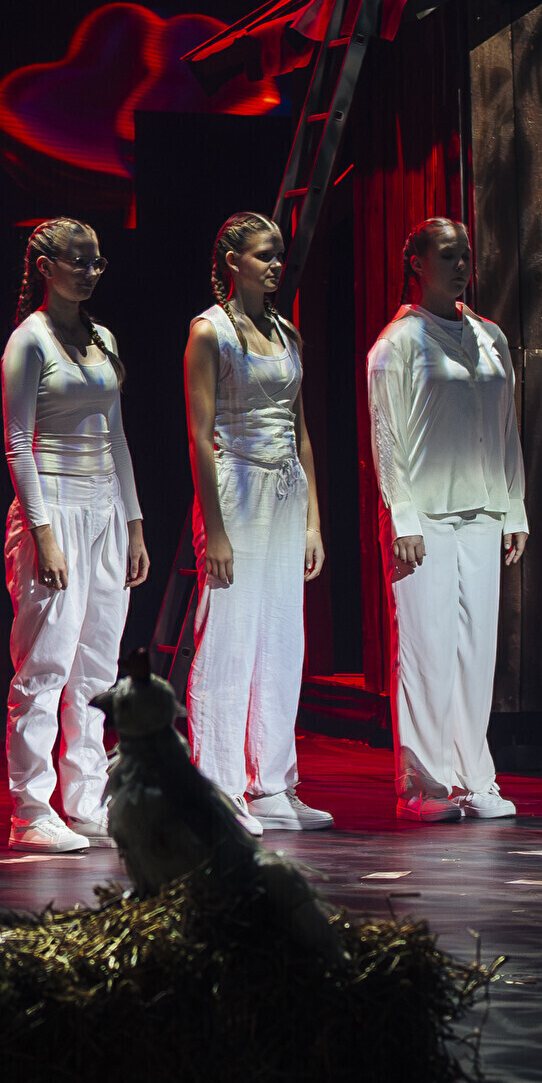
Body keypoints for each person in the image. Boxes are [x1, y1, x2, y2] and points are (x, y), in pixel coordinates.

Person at [367, 218, 528, 823]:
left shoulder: (491, 337)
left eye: (465, 255)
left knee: (475, 650)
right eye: (447, 255)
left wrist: (514, 507)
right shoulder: (399, 342)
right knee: (426, 649)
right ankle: (423, 785)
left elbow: (507, 427)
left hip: (483, 508)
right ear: (417, 263)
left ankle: (474, 776)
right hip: (426, 516)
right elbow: (387, 437)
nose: (461, 266)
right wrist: (401, 516)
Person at [0, 217, 148, 853]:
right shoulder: (29, 341)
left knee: (97, 667)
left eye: (97, 262)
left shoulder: (103, 337)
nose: (91, 272)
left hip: (105, 511)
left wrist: (134, 522)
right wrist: (43, 534)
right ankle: (31, 810)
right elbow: (17, 443)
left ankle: (86, 800)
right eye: (79, 261)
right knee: (46, 663)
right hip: (54, 510)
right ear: (45, 266)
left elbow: (117, 437)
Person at [181, 211, 329, 833]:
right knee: (229, 638)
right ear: (232, 262)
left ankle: (270, 783)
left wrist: (314, 522)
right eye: (264, 255)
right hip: (235, 489)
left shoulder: (288, 332)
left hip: (286, 491)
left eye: (278, 254)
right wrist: (214, 530)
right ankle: (217, 788)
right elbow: (200, 436)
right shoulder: (209, 332)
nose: (275, 265)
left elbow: (301, 431)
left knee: (282, 639)